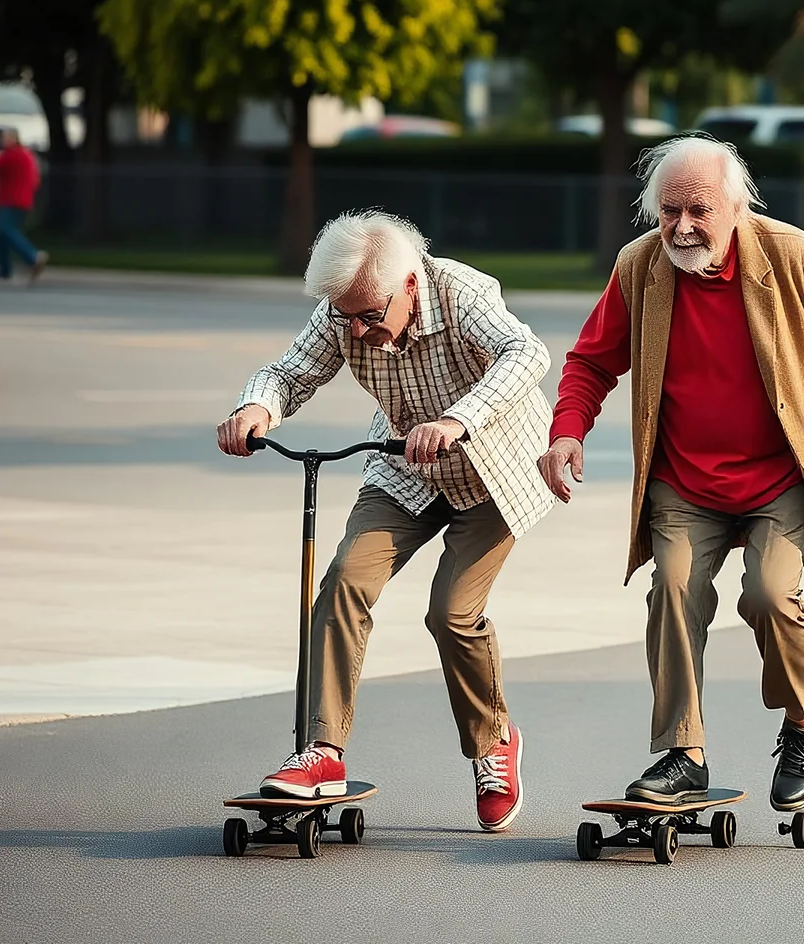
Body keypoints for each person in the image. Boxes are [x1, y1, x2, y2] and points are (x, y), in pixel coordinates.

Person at [538, 135, 804, 811]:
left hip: (787, 474)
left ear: (736, 207)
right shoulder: (639, 267)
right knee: (672, 590)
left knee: (770, 594)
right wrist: (567, 432)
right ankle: (684, 753)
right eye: (669, 211)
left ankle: (802, 723)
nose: (681, 227)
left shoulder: (793, 255)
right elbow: (591, 362)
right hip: (685, 479)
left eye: (699, 212)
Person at [216, 210, 554, 831]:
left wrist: (458, 420)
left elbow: (527, 353)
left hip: (492, 466)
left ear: (408, 284)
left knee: (451, 611)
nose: (359, 330)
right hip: (405, 465)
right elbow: (289, 372)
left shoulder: (459, 291)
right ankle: (321, 751)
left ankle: (493, 743)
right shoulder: (347, 313)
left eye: (371, 314)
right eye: (347, 317)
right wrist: (256, 407)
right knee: (345, 578)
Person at [0, 129, 46, 283]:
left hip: (11, 200)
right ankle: (4, 270)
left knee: (5, 229)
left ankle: (33, 257)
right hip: (22, 200)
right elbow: (35, 179)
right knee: (2, 235)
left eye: (5, 138)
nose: (2, 141)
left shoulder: (13, 155)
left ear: (13, 139)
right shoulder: (26, 154)